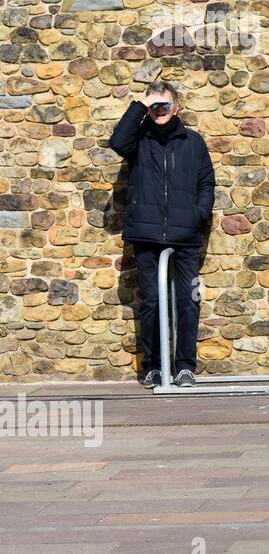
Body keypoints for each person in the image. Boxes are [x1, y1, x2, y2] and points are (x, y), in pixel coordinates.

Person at [109, 82, 215, 388]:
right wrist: (141, 105)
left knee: (188, 301)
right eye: (154, 106)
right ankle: (154, 366)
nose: (159, 111)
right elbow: (117, 142)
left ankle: (184, 366)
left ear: (177, 107)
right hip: (147, 235)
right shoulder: (139, 141)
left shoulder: (193, 143)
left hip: (186, 238)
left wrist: (198, 215)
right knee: (152, 302)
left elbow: (207, 182)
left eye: (164, 105)